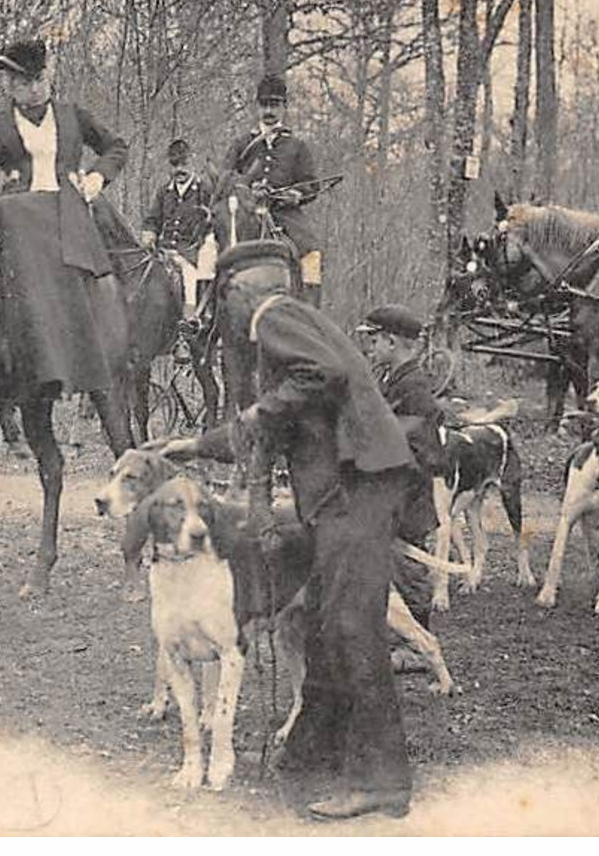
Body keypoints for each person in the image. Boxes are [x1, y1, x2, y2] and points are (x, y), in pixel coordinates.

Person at [162, 240, 422, 821]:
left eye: (220, 297)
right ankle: (314, 754)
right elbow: (277, 424)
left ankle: (381, 781)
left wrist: (255, 413)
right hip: (353, 491)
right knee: (329, 626)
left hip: (359, 488)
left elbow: (318, 377)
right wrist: (194, 446)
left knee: (352, 629)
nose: (219, 313)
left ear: (238, 290)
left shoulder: (272, 317)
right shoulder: (295, 324)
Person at [0, 37, 128, 413]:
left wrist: (96, 179)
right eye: (10, 83)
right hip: (19, 211)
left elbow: (116, 146)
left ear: (39, 80)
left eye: (19, 81)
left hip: (66, 208)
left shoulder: (72, 115)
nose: (12, 88)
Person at [355, 304, 445, 633]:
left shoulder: (414, 386)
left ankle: (418, 645)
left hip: (408, 497)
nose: (370, 348)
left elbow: (427, 451)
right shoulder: (393, 379)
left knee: (410, 571)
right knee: (389, 566)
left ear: (392, 343)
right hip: (392, 493)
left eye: (374, 341)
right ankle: (397, 638)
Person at [219, 75, 323, 307]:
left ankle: (310, 317)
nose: (269, 110)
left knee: (311, 256)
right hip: (246, 214)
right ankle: (207, 320)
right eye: (264, 104)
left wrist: (296, 195)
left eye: (275, 105)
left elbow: (310, 184)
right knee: (212, 255)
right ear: (257, 107)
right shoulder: (241, 144)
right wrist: (247, 189)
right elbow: (225, 178)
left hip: (285, 217)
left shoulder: (297, 146)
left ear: (284, 108)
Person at [140, 138, 218, 324]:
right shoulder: (164, 192)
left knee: (189, 278)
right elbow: (153, 219)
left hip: (190, 253)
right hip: (162, 251)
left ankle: (188, 326)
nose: (179, 170)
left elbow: (214, 221)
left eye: (183, 164)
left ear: (192, 162)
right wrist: (149, 232)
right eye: (174, 164)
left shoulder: (204, 191)